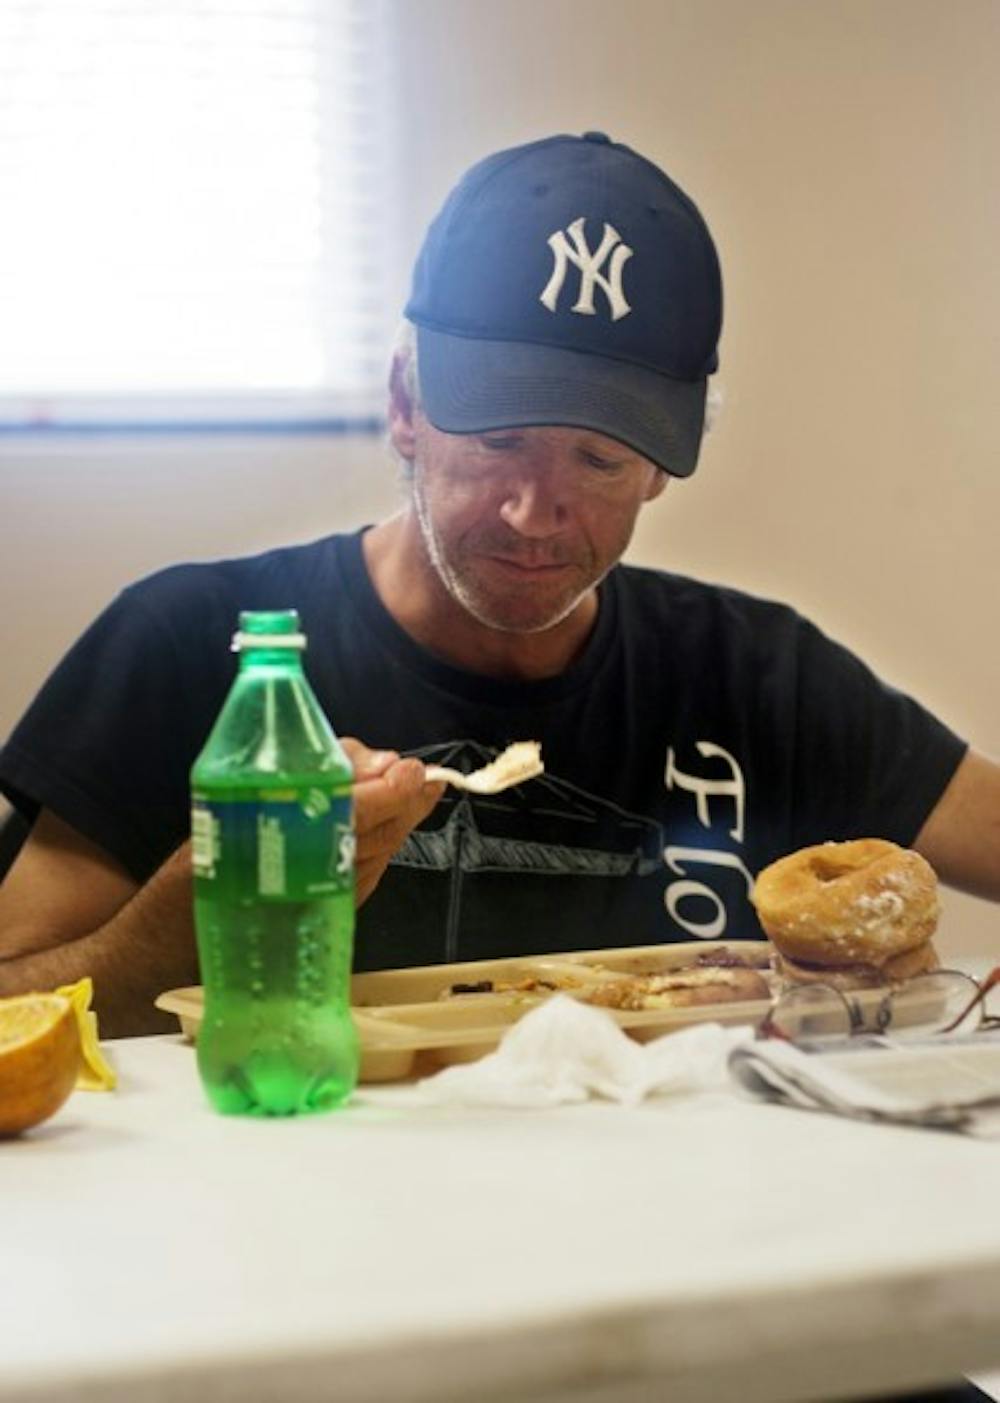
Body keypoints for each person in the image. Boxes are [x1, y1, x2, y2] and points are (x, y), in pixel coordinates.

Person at [2, 130, 1000, 1039]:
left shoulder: (751, 674)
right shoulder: (195, 647)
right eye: (498, 440)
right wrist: (212, 908)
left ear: (660, 465)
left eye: (598, 460)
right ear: (405, 403)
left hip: (695, 1235)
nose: (534, 509)